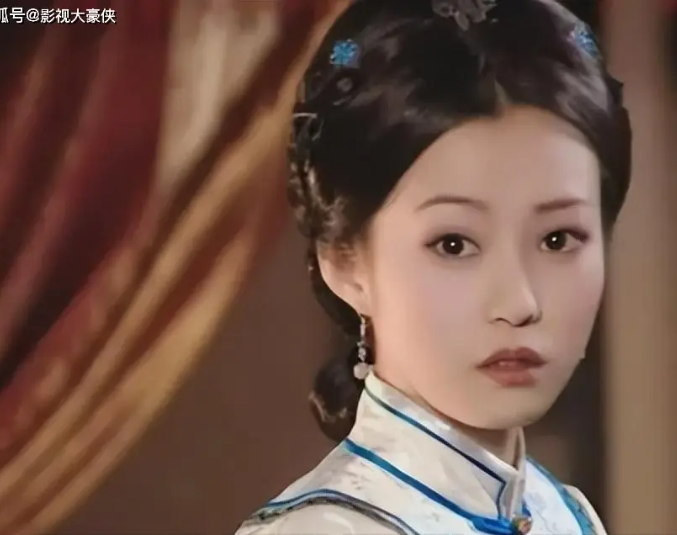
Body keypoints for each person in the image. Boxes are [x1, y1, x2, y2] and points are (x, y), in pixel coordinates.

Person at [236, 0, 631, 533]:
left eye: (558, 239)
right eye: (453, 244)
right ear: (344, 262)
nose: (519, 303)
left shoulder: (567, 515)